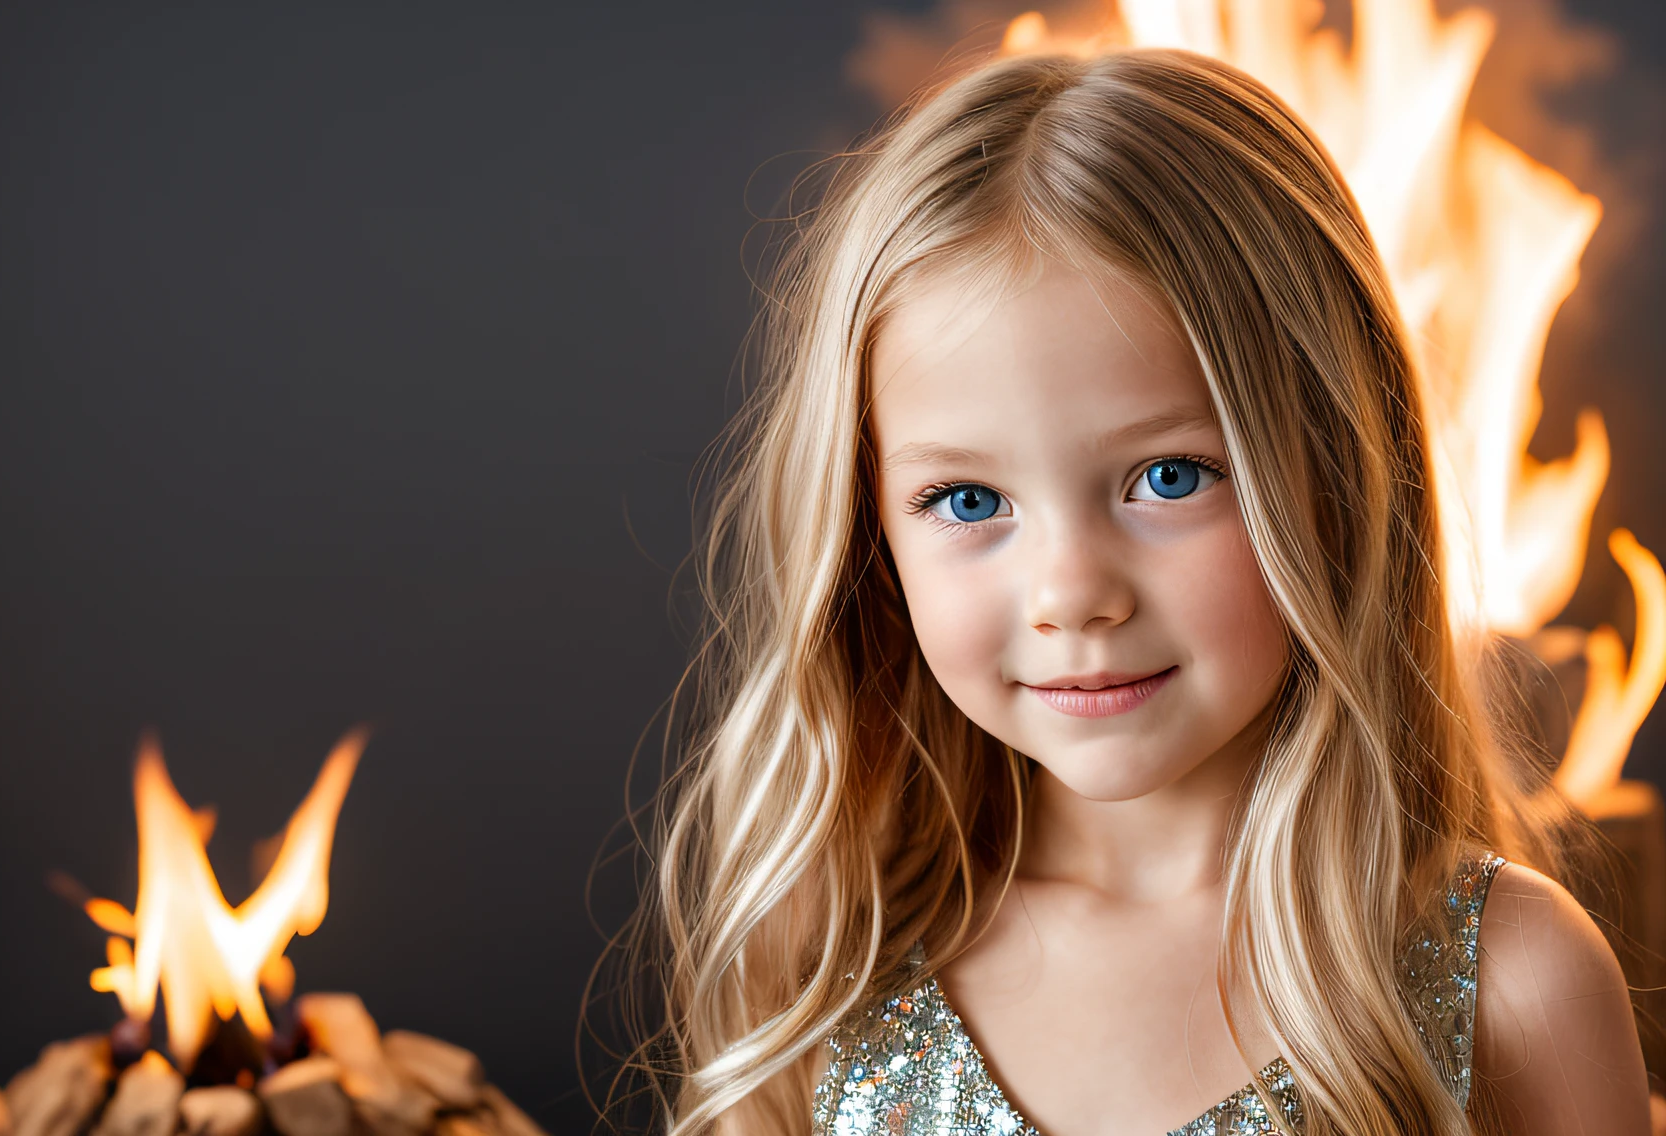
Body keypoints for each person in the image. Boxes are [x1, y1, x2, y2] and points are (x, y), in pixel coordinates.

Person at [644, 48, 1650, 1135]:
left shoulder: (1512, 975)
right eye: (968, 500)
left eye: (1167, 477)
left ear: (1334, 478)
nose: (1070, 593)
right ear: (868, 534)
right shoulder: (826, 960)